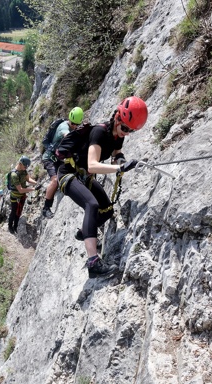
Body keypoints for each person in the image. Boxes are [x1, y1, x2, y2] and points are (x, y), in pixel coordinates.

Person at [56, 96, 148, 278]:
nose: (126, 133)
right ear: (117, 118)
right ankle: (93, 263)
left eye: (131, 131)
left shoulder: (117, 135)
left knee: (107, 211)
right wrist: (119, 168)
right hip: (68, 174)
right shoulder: (99, 132)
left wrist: (122, 160)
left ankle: (85, 232)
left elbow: (116, 153)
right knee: (92, 205)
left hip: (84, 177)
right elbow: (92, 165)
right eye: (125, 128)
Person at [41, 107, 84, 219]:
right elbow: (67, 136)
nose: (74, 126)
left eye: (77, 124)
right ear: (70, 119)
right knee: (55, 180)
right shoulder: (63, 127)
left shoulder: (73, 126)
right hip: (49, 158)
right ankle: (46, 208)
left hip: (59, 158)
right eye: (73, 123)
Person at [8, 155, 37, 234]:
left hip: (22, 196)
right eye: (25, 166)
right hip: (15, 196)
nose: (26, 168)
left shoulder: (23, 170)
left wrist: (36, 183)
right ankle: (10, 226)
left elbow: (28, 179)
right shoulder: (14, 175)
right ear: (20, 163)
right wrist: (33, 189)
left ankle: (15, 226)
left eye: (27, 167)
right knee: (13, 212)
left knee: (19, 212)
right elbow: (20, 190)